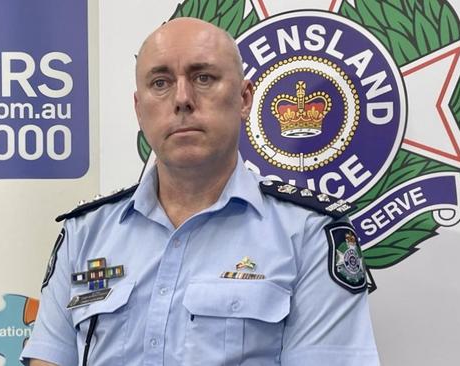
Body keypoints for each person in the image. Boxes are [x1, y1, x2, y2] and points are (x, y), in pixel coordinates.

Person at [21, 17, 380, 366]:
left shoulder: (309, 235)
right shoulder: (85, 233)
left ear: (243, 98)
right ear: (138, 109)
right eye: (160, 83)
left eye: (203, 77)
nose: (182, 99)